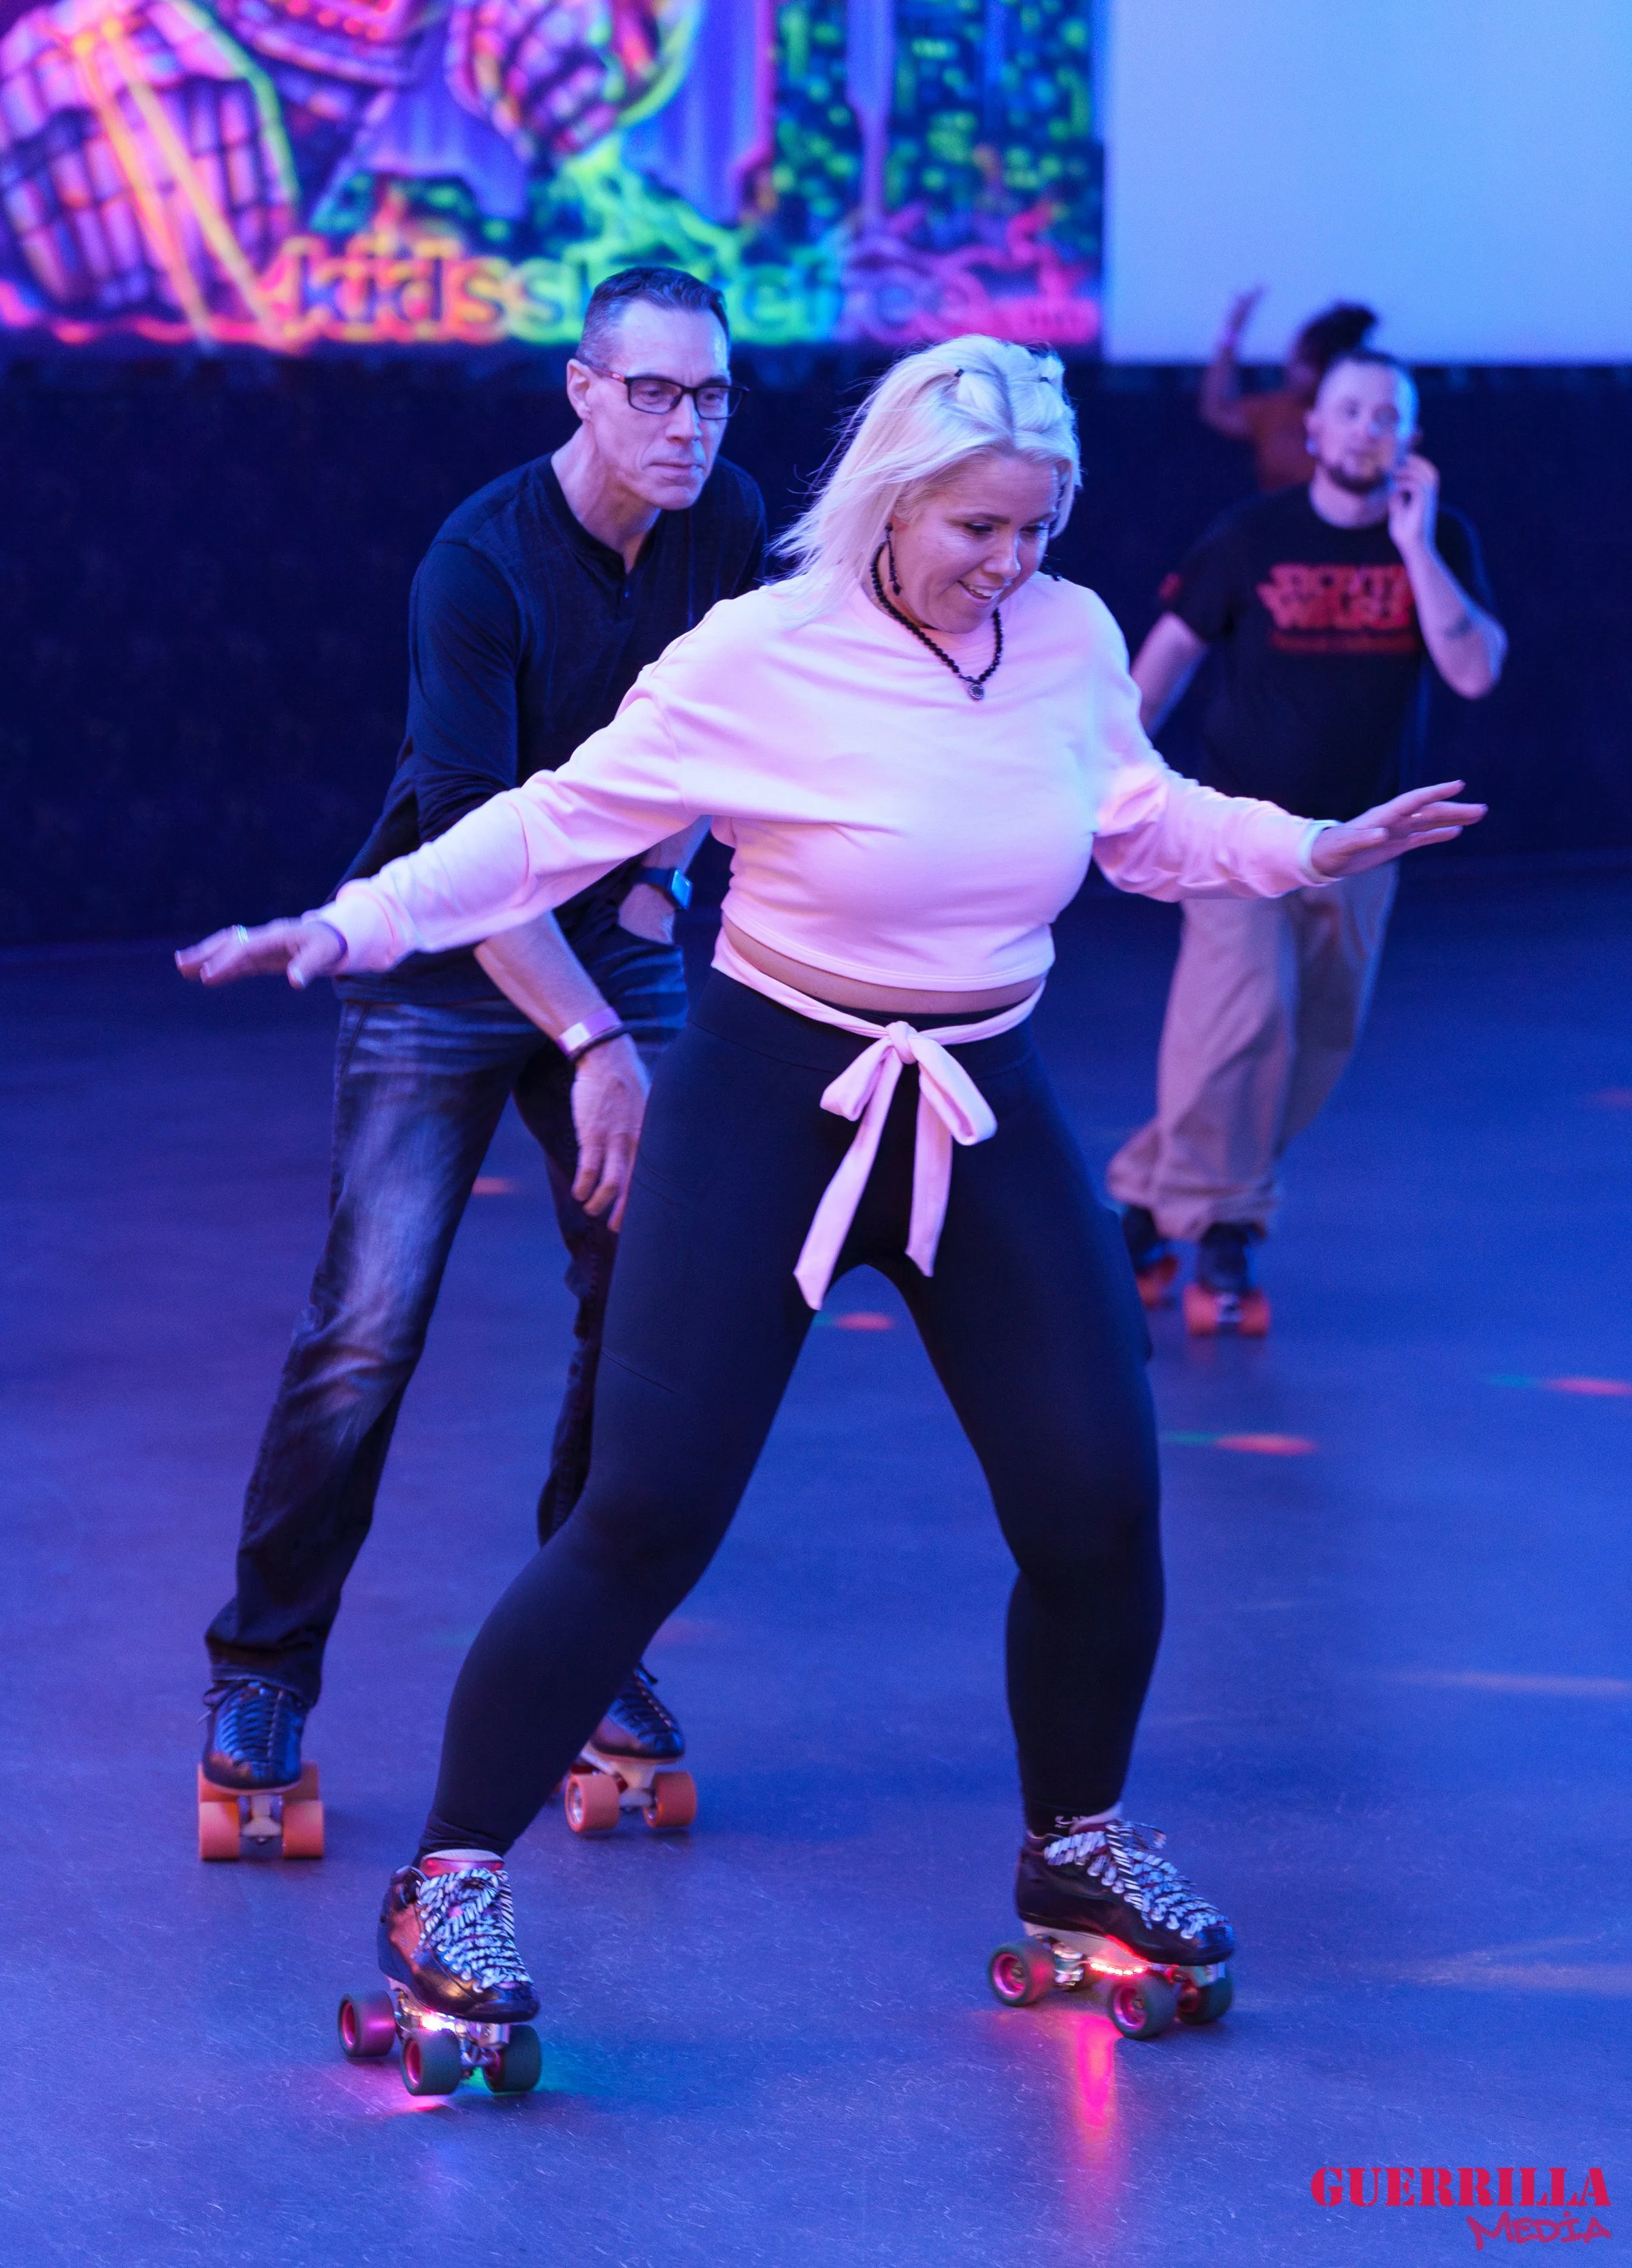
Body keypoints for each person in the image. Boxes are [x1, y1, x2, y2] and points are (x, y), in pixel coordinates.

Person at [179, 336, 1480, 2032]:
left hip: (980, 1092)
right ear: (892, 500)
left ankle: (1073, 1840)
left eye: (1038, 526)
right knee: (645, 1512)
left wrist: (1302, 848)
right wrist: (352, 923)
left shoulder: (1070, 638)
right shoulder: (765, 653)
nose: (1011, 562)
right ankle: (450, 1879)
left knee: (1099, 1497)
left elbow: (1138, 816)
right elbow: (552, 823)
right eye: (979, 529)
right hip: (772, 1093)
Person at [181, 265, 766, 1802]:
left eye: (709, 394)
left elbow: (746, 718)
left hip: (611, 940)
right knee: (367, 1326)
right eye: (652, 392)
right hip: (450, 942)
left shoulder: (726, 525)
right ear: (580, 389)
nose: (686, 425)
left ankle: (588, 1646)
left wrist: (663, 884)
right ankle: (261, 1675)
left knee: (642, 1306)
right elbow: (474, 843)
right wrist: (593, 1038)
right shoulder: (481, 563)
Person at [1109, 348, 1504, 1331]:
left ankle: (1151, 1206)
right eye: (1350, 412)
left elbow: (1475, 673)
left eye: (1387, 417)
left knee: (1317, 1041)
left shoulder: (1438, 539)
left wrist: (1415, 551)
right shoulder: (1251, 536)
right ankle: (1228, 1232)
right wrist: (1105, 769)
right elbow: (1162, 661)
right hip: (1241, 834)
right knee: (1242, 1023)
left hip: (1366, 841)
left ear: (1407, 441)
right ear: (1314, 430)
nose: (1367, 429)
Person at [1199, 293, 1378, 492]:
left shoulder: (1361, 421)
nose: (1290, 367)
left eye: (1302, 361)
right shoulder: (1276, 409)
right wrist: (1233, 331)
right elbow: (1217, 410)